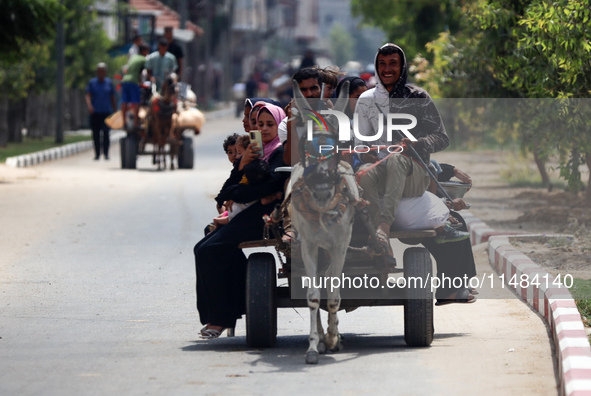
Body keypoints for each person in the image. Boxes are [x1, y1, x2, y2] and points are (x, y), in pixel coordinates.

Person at [354, 43, 467, 246]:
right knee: (364, 172)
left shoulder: (419, 96)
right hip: (382, 170)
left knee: (397, 159)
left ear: (402, 66)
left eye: (393, 63)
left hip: (415, 173)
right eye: (382, 64)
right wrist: (365, 155)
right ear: (376, 66)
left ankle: (385, 225)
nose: (387, 69)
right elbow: (360, 142)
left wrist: (419, 143)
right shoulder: (366, 99)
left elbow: (442, 138)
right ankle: (378, 238)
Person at [195, 103, 288, 339]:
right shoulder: (252, 152)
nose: (264, 129)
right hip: (247, 212)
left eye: (270, 124)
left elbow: (267, 187)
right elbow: (227, 189)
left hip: (265, 215)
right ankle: (236, 303)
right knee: (202, 248)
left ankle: (222, 318)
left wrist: (238, 192)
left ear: (280, 125)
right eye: (259, 124)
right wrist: (244, 163)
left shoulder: (279, 152)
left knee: (210, 250)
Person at [85, 63, 117, 160]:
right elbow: (88, 95)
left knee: (106, 134)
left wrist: (115, 110)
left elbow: (112, 97)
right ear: (97, 72)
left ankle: (106, 154)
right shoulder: (92, 83)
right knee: (96, 134)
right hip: (95, 112)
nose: (101, 72)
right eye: (99, 71)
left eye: (103, 71)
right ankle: (97, 154)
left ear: (105, 72)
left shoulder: (109, 83)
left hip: (106, 112)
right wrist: (90, 106)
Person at [121, 44, 150, 129]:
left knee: (124, 101)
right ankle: (136, 124)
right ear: (144, 51)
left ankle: (124, 123)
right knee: (136, 102)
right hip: (133, 81)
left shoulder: (133, 57)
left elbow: (136, 70)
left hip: (125, 80)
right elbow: (147, 71)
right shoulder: (144, 59)